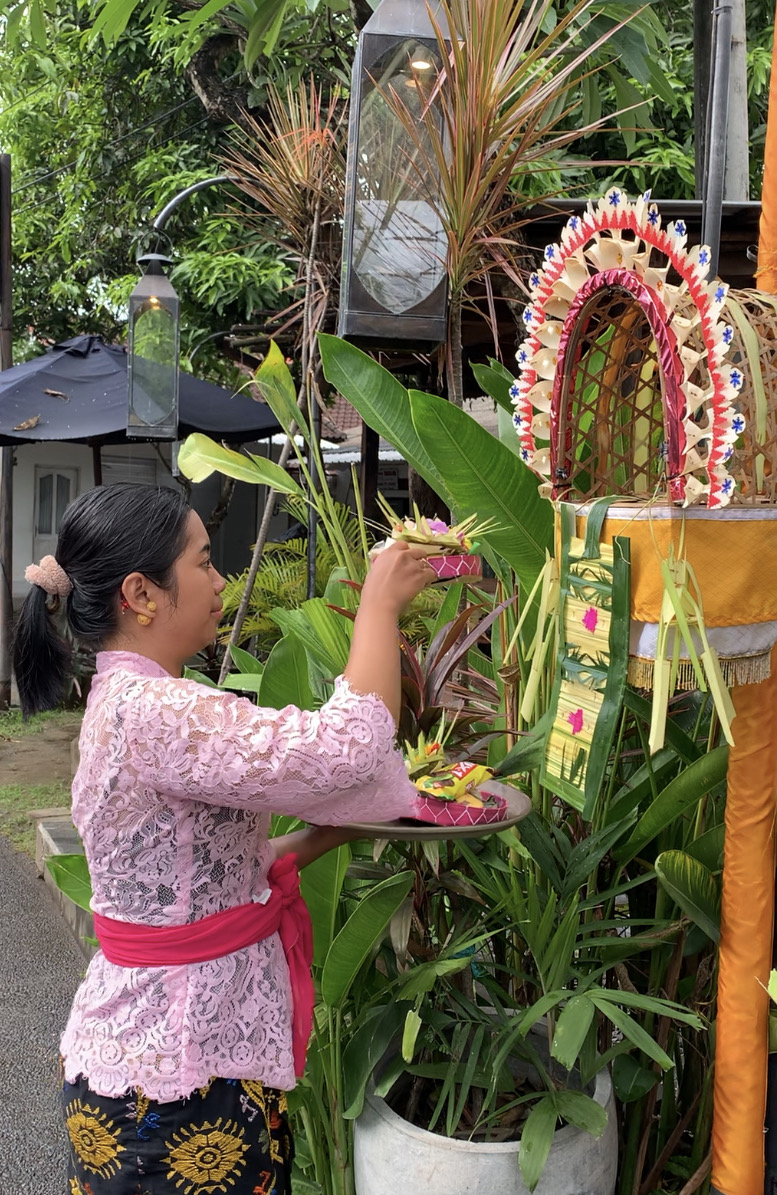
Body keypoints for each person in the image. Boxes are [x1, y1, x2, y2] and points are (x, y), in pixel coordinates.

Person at [13, 482, 435, 1195]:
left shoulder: (123, 698)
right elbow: (346, 749)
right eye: (204, 562)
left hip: (159, 1063)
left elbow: (196, 883)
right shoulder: (157, 711)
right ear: (141, 593)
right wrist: (379, 605)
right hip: (177, 1087)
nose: (219, 580)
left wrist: (319, 836)